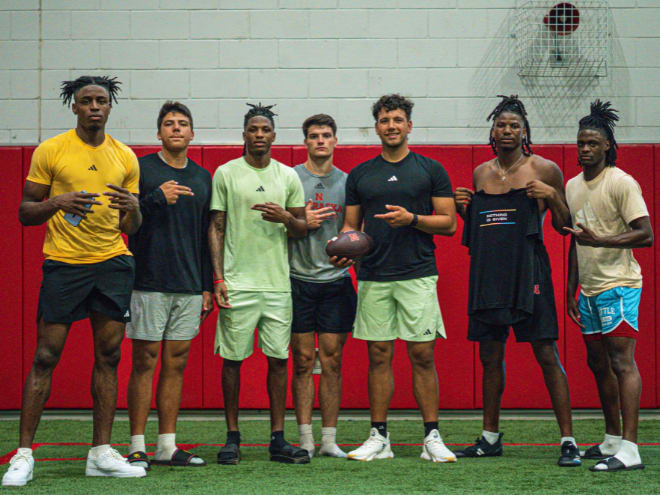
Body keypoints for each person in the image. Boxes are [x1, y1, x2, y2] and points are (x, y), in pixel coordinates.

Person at [3, 76, 146, 487]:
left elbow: (131, 225)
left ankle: (100, 452)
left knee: (110, 356)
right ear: (75, 107)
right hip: (65, 265)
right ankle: (24, 455)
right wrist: (57, 202)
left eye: (101, 100)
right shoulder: (52, 150)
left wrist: (134, 208)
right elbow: (25, 212)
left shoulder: (125, 157)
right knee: (46, 356)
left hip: (114, 263)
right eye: (87, 101)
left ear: (109, 106)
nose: (95, 107)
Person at [453, 95, 580, 467]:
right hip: (489, 274)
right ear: (491, 131)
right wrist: (465, 211)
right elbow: (480, 231)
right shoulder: (481, 174)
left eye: (514, 126)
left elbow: (563, 225)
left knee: (546, 353)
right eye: (501, 125)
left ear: (525, 132)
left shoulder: (545, 168)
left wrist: (554, 196)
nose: (507, 131)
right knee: (490, 354)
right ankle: (490, 438)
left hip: (530, 272)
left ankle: (568, 441)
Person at [334, 94, 458, 463]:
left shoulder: (430, 170)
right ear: (376, 127)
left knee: (421, 354)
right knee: (379, 354)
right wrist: (342, 250)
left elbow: (449, 223)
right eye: (385, 120)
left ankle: (431, 437)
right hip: (373, 276)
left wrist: (413, 219)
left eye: (398, 120)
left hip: (417, 275)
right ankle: (379, 438)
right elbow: (351, 227)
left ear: (409, 126)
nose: (391, 126)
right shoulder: (361, 175)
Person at [208, 103, 310, 465]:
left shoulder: (288, 176)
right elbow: (216, 227)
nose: (260, 135)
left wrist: (285, 217)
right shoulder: (226, 173)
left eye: (265, 129)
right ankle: (232, 437)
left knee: (279, 360)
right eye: (253, 129)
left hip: (277, 285)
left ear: (274, 136)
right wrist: (218, 278)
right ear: (245, 135)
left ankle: (277, 439)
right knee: (233, 361)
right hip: (237, 283)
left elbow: (300, 228)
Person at [565, 100, 653, 472]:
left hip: (619, 285)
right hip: (588, 289)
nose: (585, 149)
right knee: (598, 363)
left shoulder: (621, 182)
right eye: (581, 143)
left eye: (592, 144)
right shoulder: (571, 185)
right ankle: (612, 438)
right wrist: (571, 286)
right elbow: (575, 239)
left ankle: (631, 449)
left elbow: (645, 234)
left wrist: (603, 241)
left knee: (621, 363)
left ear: (606, 146)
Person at [125, 101, 213, 469]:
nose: (176, 128)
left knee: (176, 364)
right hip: (148, 281)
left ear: (192, 133)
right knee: (145, 361)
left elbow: (206, 234)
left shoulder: (203, 177)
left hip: (190, 284)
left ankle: (166, 445)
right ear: (158, 133)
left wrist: (207, 284)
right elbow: (126, 222)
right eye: (169, 124)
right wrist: (156, 198)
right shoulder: (142, 169)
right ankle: (136, 445)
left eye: (183, 124)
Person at [288, 114, 356, 458]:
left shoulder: (347, 182)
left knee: (332, 360)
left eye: (326, 135)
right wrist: (300, 221)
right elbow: (277, 227)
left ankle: (329, 439)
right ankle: (305, 439)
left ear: (335, 141)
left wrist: (351, 253)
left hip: (335, 283)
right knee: (301, 361)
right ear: (305, 142)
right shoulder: (290, 179)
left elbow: (353, 229)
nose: (320, 140)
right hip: (297, 281)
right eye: (313, 135)